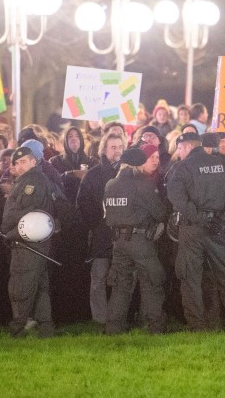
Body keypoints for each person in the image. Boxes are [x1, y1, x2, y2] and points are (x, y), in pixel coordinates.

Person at [166, 132, 225, 331]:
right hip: (218, 229)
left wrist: (198, 217)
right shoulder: (224, 165)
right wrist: (223, 220)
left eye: (180, 148)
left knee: (191, 278)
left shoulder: (182, 167)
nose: (179, 152)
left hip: (192, 229)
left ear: (187, 146)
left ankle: (197, 326)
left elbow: (176, 197)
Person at [102, 148, 167, 334]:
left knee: (121, 285)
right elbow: (160, 212)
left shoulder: (110, 184)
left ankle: (113, 328)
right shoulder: (143, 184)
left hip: (118, 240)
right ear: (137, 164)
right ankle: (156, 327)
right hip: (140, 241)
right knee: (152, 282)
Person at [0, 146, 57, 337]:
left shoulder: (33, 181)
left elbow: (26, 213)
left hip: (28, 242)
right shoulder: (25, 180)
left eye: (24, 161)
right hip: (30, 241)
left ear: (34, 162)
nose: (19, 165)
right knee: (40, 287)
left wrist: (8, 231)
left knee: (20, 285)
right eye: (16, 162)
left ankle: (17, 328)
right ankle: (45, 327)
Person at [76, 133, 126, 325]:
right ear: (104, 149)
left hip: (123, 236)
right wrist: (96, 222)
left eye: (120, 147)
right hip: (101, 235)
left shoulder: (128, 173)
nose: (117, 151)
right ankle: (100, 319)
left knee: (122, 279)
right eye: (113, 147)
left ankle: (117, 317)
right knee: (98, 279)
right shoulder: (94, 174)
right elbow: (82, 202)